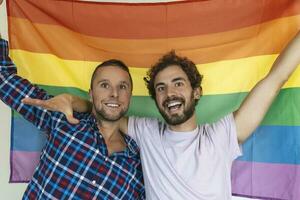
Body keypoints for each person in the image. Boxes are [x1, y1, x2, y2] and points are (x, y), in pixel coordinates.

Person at [23, 31, 300, 199]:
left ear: (197, 92)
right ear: (156, 100)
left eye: (178, 84)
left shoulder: (221, 136)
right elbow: (107, 108)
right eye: (161, 88)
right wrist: (74, 101)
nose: (170, 93)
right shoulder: (145, 132)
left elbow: (275, 79)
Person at [0, 38, 145, 199]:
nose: (114, 93)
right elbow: (3, 78)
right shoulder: (62, 118)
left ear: (130, 96)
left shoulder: (139, 163)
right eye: (104, 85)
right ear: (91, 94)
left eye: (122, 86)